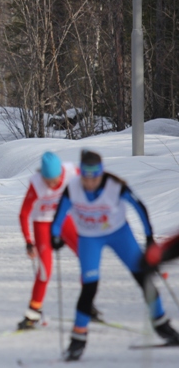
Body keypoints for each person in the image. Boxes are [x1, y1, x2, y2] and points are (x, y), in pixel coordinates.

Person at [50, 150, 179, 361]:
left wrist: (148, 237)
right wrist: (55, 236)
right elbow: (59, 215)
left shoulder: (114, 185)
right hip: (90, 237)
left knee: (143, 278)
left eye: (95, 176)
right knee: (89, 286)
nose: (90, 182)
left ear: (101, 173)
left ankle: (163, 326)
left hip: (119, 234)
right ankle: (77, 340)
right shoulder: (72, 188)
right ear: (81, 173)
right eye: (86, 177)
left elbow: (140, 207)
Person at [16, 152, 83, 330]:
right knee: (45, 270)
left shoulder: (71, 172)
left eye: (55, 180)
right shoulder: (37, 184)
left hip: (63, 220)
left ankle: (87, 304)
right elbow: (23, 214)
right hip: (42, 223)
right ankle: (33, 313)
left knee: (87, 257)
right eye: (48, 181)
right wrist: (28, 241)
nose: (52, 185)